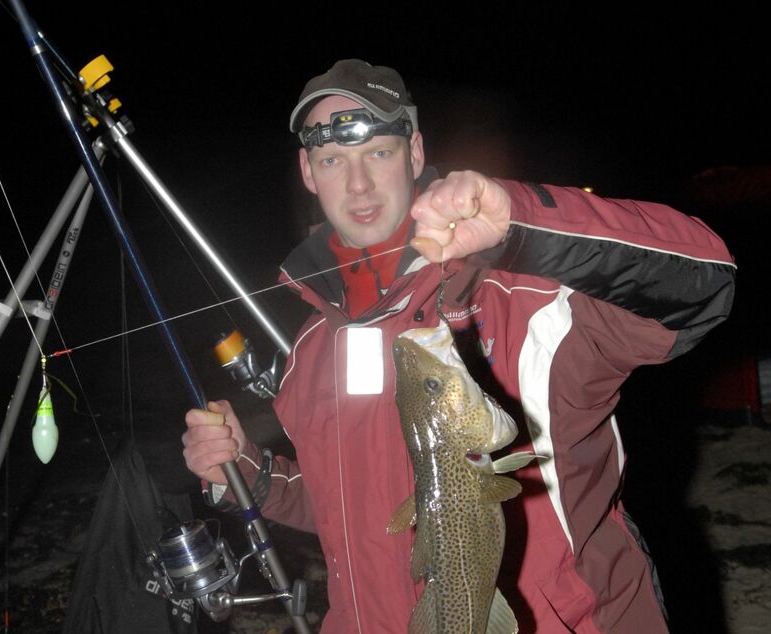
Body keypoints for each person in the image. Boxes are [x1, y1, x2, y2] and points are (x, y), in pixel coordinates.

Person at [182, 59, 736, 633]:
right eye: (333, 160)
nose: (358, 184)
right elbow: (350, 513)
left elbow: (704, 283)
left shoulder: (529, 298)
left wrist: (520, 224)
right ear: (307, 171)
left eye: (378, 152)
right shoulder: (312, 350)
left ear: (415, 153)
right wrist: (249, 471)